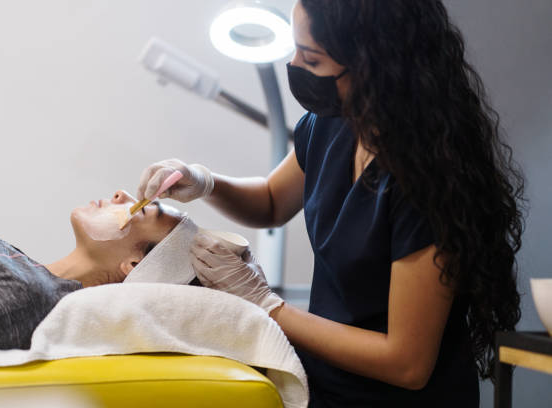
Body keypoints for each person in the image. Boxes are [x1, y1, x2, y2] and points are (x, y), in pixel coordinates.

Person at [137, 0, 526, 406]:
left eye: (312, 58)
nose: (295, 65)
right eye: (295, 49)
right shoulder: (331, 124)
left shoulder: (430, 180)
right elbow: (271, 201)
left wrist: (267, 305)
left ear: (375, 63)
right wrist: (206, 182)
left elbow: (407, 364)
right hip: (321, 387)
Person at [0, 190, 182, 352]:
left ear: (134, 265)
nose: (119, 194)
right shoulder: (25, 273)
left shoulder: (26, 292)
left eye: (141, 209)